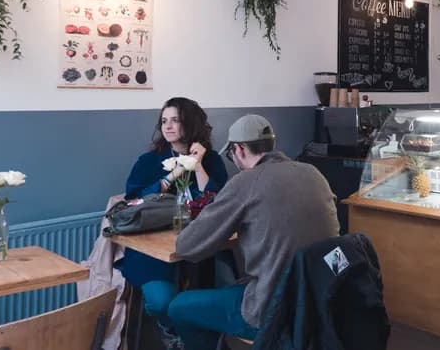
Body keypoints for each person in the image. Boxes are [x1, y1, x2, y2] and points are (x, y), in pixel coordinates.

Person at [166, 114, 340, 349]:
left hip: (271, 307)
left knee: (179, 307)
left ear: (238, 149)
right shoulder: (313, 173)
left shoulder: (245, 182)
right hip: (321, 300)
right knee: (232, 283)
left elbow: (187, 246)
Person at [118, 97, 228, 350]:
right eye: (164, 121)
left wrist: (197, 165)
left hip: (202, 242)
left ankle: (204, 338)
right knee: (161, 301)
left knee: (225, 287)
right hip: (151, 245)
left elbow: (217, 202)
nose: (167, 126)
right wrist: (175, 173)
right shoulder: (149, 161)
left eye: (175, 120)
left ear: (190, 123)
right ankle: (172, 332)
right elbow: (134, 201)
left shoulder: (211, 161)